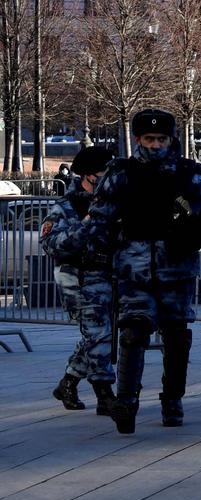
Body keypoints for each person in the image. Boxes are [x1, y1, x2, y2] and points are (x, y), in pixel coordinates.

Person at [83, 109, 201, 435]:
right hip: (135, 269)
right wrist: (95, 260)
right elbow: (100, 219)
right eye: (150, 139)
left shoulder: (191, 173)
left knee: (177, 337)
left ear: (172, 139)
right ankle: (126, 402)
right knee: (133, 334)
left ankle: (172, 400)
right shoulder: (121, 173)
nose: (157, 145)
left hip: (178, 268)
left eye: (162, 138)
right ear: (137, 139)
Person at [44, 146, 117, 414]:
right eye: (103, 173)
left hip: (109, 276)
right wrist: (86, 224)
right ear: (88, 175)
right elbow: (52, 244)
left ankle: (69, 381)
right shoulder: (66, 207)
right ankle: (105, 393)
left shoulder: (114, 203)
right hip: (79, 278)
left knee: (97, 335)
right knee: (98, 333)